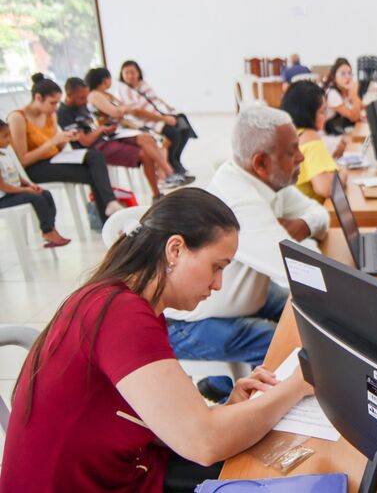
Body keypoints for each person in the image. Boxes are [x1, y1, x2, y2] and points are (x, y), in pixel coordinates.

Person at [0, 187, 313, 492]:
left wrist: (228, 411)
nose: (218, 284)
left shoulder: (126, 302)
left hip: (126, 466)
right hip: (101, 480)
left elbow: (176, 426)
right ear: (175, 250)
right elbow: (204, 444)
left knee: (271, 463)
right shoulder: (121, 315)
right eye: (216, 267)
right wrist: (300, 383)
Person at [165, 105, 329, 403]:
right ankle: (240, 400)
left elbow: (319, 214)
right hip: (190, 324)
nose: (301, 157)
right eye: (292, 151)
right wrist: (304, 242)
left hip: (241, 297)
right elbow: (298, 270)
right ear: (261, 162)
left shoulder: (265, 180)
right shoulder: (240, 202)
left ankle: (219, 382)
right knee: (287, 347)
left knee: (305, 317)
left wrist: (304, 225)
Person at [7, 73, 122, 224]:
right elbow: (23, 160)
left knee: (95, 156)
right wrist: (52, 142)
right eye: (52, 103)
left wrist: (64, 140)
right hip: (34, 168)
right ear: (38, 98)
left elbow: (56, 147)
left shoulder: (50, 115)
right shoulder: (18, 118)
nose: (56, 107)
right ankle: (110, 215)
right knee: (94, 174)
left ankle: (110, 206)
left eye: (57, 103)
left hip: (53, 159)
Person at [58, 77, 173, 200]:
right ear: (69, 95)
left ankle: (168, 173)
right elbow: (86, 141)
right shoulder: (64, 113)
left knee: (145, 138)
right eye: (82, 98)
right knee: (145, 154)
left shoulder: (83, 105)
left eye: (86, 97)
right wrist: (101, 129)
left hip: (107, 138)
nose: (86, 101)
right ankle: (160, 189)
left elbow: (96, 126)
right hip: (95, 148)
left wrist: (105, 129)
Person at [85, 67, 189, 189]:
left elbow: (125, 109)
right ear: (105, 79)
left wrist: (123, 109)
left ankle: (164, 176)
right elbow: (116, 112)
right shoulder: (95, 95)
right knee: (149, 139)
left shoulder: (107, 95)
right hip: (111, 133)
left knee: (161, 141)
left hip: (122, 129)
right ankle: (168, 174)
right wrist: (123, 109)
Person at [117, 60, 197, 180]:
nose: (130, 76)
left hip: (159, 114)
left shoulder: (143, 85)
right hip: (147, 122)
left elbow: (154, 98)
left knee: (184, 126)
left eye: (132, 72)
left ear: (138, 73)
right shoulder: (124, 91)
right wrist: (164, 119)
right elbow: (138, 112)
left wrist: (168, 108)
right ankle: (172, 164)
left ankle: (175, 160)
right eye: (126, 73)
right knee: (173, 133)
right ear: (121, 74)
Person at [0, 119, 70, 247]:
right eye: (5, 136)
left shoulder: (5, 154)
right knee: (37, 198)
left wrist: (30, 185)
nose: (9, 139)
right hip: (4, 198)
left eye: (9, 135)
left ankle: (51, 228)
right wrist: (25, 190)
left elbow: (16, 176)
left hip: (15, 192)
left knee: (45, 194)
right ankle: (47, 231)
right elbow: (3, 187)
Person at [281, 80, 340, 202]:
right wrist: (343, 175)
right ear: (307, 114)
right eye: (322, 111)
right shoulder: (309, 136)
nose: (325, 116)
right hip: (312, 211)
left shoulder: (290, 134)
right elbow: (326, 188)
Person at [322, 57, 363, 135]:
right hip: (328, 134)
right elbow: (354, 117)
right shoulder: (332, 93)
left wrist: (353, 94)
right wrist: (354, 93)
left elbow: (362, 107)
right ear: (334, 77)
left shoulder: (345, 90)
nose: (348, 77)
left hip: (340, 128)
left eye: (349, 73)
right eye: (343, 74)